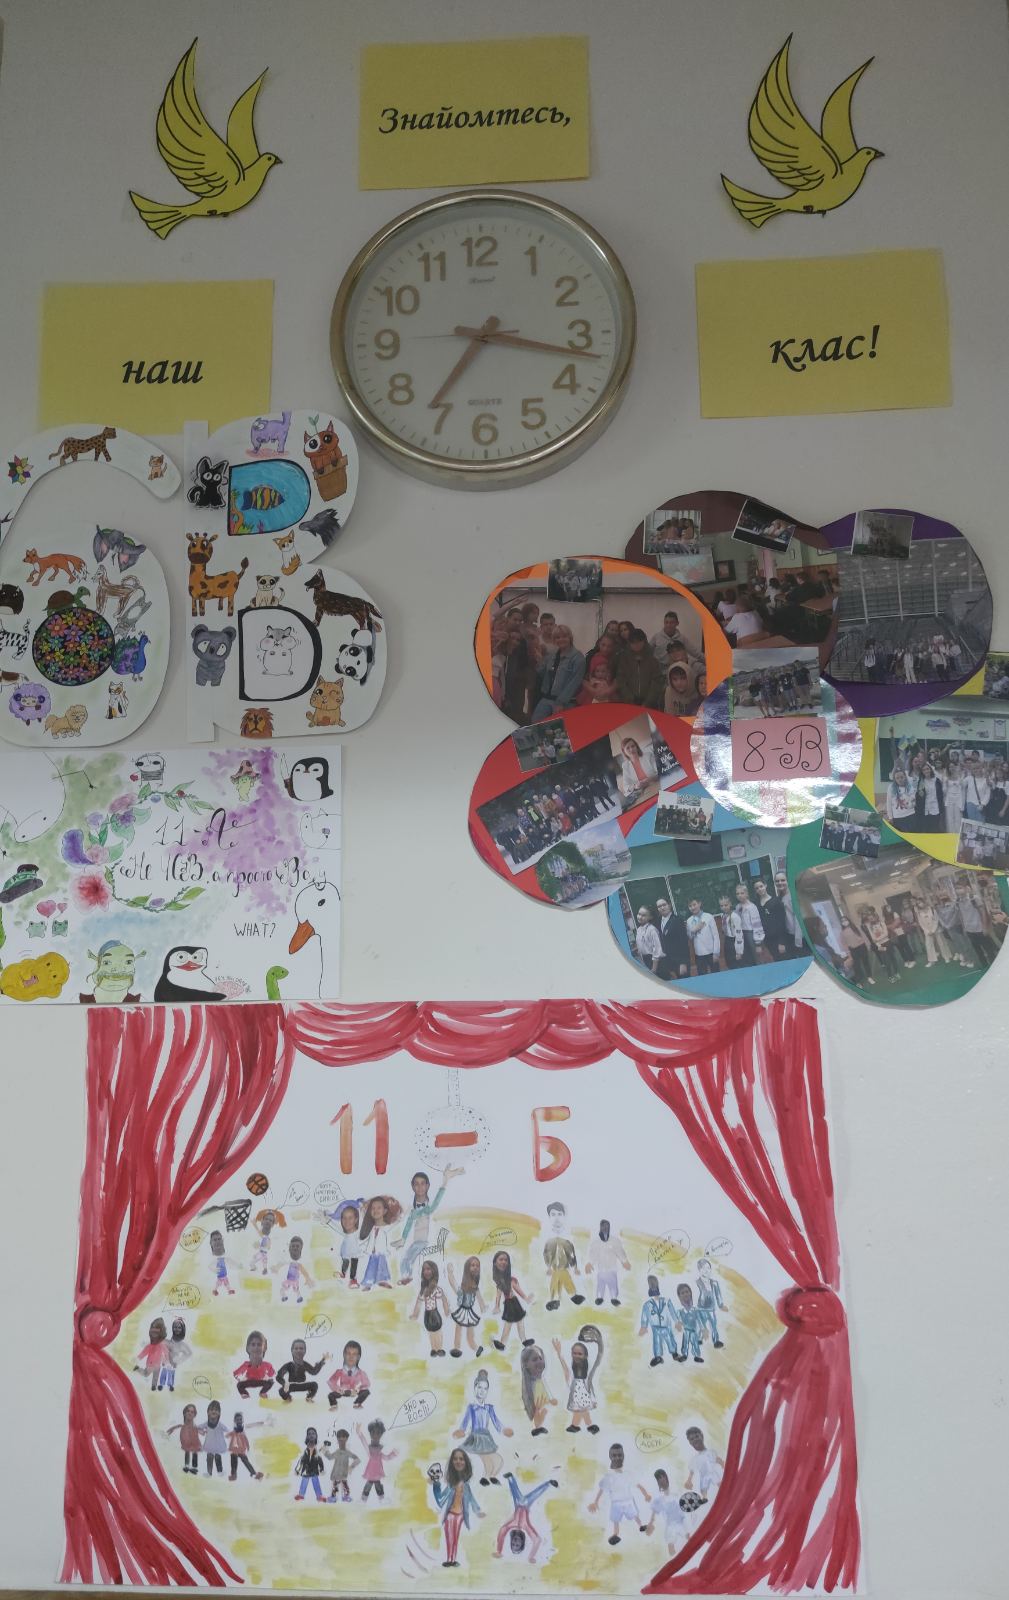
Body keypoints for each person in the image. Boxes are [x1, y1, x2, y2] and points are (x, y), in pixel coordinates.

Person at [395, 1167, 462, 1285]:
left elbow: (435, 1204)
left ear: (427, 1186)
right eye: (416, 1184)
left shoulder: (429, 1207)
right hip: (417, 1242)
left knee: (409, 1258)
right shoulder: (412, 1210)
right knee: (406, 1258)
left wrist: (445, 1181)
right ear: (412, 1187)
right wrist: (403, 1239)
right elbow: (408, 1224)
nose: (420, 1187)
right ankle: (407, 1276)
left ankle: (408, 1276)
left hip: (426, 1242)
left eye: (422, 1183)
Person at [454, 1369, 513, 1485]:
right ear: (475, 1388)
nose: (482, 1391)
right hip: (476, 1438)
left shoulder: (489, 1408)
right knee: (489, 1460)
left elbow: (496, 1422)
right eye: (479, 1387)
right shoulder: (471, 1407)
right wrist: (461, 1431)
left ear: (487, 1391)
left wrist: (503, 1430)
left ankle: (489, 1477)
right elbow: (465, 1422)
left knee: (498, 1460)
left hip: (487, 1438)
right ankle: (486, 1477)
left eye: (485, 1389)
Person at [430, 1449, 484, 1567]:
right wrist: (436, 1484)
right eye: (455, 1459)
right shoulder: (451, 1485)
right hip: (450, 1515)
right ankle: (449, 1559)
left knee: (455, 1538)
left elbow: (471, 1499)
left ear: (466, 1463)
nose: (458, 1461)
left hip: (460, 1516)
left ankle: (453, 1560)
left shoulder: (466, 1485)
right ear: (451, 1463)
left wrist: (477, 1511)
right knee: (449, 1538)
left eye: (461, 1459)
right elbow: (441, 1499)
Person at [589, 1443, 648, 1546]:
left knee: (635, 1515)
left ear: (623, 1456)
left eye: (619, 1455)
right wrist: (595, 1502)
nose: (617, 1458)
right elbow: (602, 1489)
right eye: (614, 1455)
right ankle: (616, 1534)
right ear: (610, 1457)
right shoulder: (608, 1476)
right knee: (615, 1520)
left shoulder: (627, 1474)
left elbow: (638, 1485)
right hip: (616, 1503)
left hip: (628, 1501)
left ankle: (641, 1526)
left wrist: (646, 1494)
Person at [494, 1472, 557, 1564]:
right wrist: (531, 1556)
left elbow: (502, 1532)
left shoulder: (512, 1524)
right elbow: (537, 1540)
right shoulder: (526, 1527)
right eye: (517, 1545)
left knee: (520, 1498)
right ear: (522, 1543)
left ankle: (511, 1478)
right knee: (528, 1497)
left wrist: (499, 1551)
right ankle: (511, 1478)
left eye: (513, 1544)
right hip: (526, 1505)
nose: (515, 1542)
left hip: (518, 1504)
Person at [553, 1329, 603, 1433]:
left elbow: (590, 1384)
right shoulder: (572, 1371)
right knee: (580, 1410)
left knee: (582, 1410)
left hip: (584, 1393)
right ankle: (582, 1425)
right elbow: (566, 1370)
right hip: (576, 1392)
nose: (576, 1356)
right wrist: (559, 1353)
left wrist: (593, 1398)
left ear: (585, 1355)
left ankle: (580, 1425)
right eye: (574, 1353)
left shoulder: (588, 1370)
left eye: (579, 1354)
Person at [531, 626, 586, 721]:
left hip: (565, 701)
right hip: (547, 697)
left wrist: (561, 702)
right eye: (557, 637)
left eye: (564, 636)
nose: (561, 639)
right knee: (535, 722)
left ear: (570, 637)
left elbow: (574, 683)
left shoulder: (578, 658)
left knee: (559, 728)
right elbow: (542, 674)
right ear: (554, 640)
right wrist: (539, 660)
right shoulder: (551, 655)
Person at [492, 1249, 533, 1348]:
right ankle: (503, 1342)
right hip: (509, 1303)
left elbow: (516, 1288)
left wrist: (525, 1298)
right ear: (495, 1263)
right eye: (501, 1259)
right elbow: (499, 1294)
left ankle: (523, 1340)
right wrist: (497, 1306)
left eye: (506, 1260)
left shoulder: (509, 1279)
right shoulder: (501, 1281)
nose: (503, 1262)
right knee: (509, 1323)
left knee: (519, 1321)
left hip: (514, 1302)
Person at [614, 629, 665, 708]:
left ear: (644, 641)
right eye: (633, 642)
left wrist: (648, 702)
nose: (636, 645)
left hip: (650, 704)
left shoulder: (653, 660)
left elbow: (657, 682)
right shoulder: (624, 660)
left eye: (638, 641)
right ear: (629, 643)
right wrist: (630, 699)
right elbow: (621, 681)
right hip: (629, 703)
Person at [411, 1259, 451, 1357]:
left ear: (434, 1271)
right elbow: (419, 1301)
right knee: (430, 1332)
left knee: (437, 1331)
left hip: (434, 1313)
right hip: (427, 1313)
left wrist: (447, 1310)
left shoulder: (436, 1289)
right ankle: (433, 1349)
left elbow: (444, 1299)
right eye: (424, 1269)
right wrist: (415, 1315)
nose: (426, 1272)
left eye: (428, 1269)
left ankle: (439, 1349)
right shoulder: (423, 1289)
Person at [359, 1195, 400, 1290]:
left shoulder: (388, 1227)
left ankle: (382, 1280)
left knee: (382, 1266)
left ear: (385, 1211)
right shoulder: (370, 1228)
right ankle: (368, 1283)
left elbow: (398, 1223)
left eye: (379, 1208)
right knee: (371, 1268)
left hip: (382, 1252)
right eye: (373, 1208)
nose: (375, 1210)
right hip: (372, 1253)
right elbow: (367, 1240)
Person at [448, 1256, 486, 1357]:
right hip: (463, 1311)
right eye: (473, 1265)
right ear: (467, 1268)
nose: (475, 1267)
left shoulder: (475, 1288)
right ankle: (457, 1348)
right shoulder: (463, 1287)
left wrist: (483, 1307)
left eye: (477, 1265)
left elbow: (480, 1299)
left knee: (469, 1335)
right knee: (458, 1329)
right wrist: (450, 1273)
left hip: (468, 1312)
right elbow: (454, 1285)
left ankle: (476, 1348)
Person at [587, 1219, 630, 1306]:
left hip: (612, 1269)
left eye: (607, 1226)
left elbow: (620, 1252)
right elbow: (593, 1254)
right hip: (601, 1270)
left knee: (613, 1284)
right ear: (600, 1227)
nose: (605, 1228)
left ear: (609, 1227)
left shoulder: (615, 1241)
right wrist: (590, 1264)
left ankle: (614, 1298)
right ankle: (599, 1297)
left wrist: (624, 1261)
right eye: (603, 1226)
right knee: (600, 1285)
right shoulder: (596, 1243)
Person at [646, 1468, 689, 1556]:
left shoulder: (676, 1490)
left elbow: (685, 1504)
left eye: (662, 1477)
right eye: (658, 1479)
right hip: (670, 1525)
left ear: (666, 1477)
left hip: (682, 1522)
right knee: (671, 1546)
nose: (661, 1480)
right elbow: (654, 1512)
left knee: (689, 1540)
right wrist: (650, 1524)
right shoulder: (659, 1499)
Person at [638, 1274, 677, 1367]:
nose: (653, 1287)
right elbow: (644, 1316)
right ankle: (658, 1357)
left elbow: (672, 1312)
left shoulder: (666, 1301)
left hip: (666, 1325)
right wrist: (643, 1326)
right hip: (655, 1326)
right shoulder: (647, 1305)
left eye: (654, 1285)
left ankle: (674, 1353)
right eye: (651, 1285)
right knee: (657, 1341)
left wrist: (677, 1321)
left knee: (669, 1339)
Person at [277, 1338, 329, 1403]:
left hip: (303, 1385)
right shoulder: (288, 1365)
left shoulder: (305, 1364)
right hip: (291, 1386)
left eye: (301, 1348)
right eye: (296, 1348)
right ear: (292, 1351)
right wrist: (284, 1384)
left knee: (314, 1385)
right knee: (281, 1391)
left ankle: (309, 1397)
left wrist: (322, 1360)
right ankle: (288, 1398)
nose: (298, 1350)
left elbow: (314, 1371)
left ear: (305, 1351)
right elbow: (278, 1377)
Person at [519, 1343, 556, 1436]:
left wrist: (550, 1401)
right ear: (526, 1364)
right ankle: (538, 1428)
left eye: (540, 1358)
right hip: (539, 1411)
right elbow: (536, 1404)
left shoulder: (540, 1381)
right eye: (535, 1359)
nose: (539, 1361)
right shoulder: (531, 1385)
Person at [357, 1417, 397, 1501]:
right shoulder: (369, 1449)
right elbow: (364, 1442)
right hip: (371, 1472)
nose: (375, 1435)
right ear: (370, 1433)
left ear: (381, 1434)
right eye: (373, 1433)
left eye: (378, 1433)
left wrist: (393, 1454)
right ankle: (364, 1499)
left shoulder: (380, 1450)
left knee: (377, 1485)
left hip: (377, 1472)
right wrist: (359, 1432)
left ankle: (381, 1499)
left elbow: (386, 1458)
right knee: (369, 1485)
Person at [326, 1339, 371, 1410]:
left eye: (354, 1354)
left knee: (366, 1392)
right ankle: (334, 1405)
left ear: (358, 1357)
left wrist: (358, 1389)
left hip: (355, 1392)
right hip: (343, 1392)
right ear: (344, 1355)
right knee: (330, 1395)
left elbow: (367, 1384)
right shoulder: (339, 1372)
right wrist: (338, 1389)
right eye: (348, 1353)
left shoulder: (361, 1373)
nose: (351, 1357)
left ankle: (357, 1403)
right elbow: (331, 1382)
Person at [684, 1426, 724, 1502]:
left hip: (712, 1472)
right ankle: (704, 1498)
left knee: (718, 1481)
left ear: (702, 1436)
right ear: (690, 1443)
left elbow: (717, 1459)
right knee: (703, 1487)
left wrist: (723, 1464)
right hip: (704, 1475)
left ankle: (723, 1490)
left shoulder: (711, 1452)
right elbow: (692, 1471)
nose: (695, 1439)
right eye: (692, 1439)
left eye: (697, 1436)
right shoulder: (695, 1459)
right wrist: (689, 1480)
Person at [233, 1330, 275, 1400]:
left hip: (260, 1381)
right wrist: (239, 1377)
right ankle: (244, 1393)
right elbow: (236, 1373)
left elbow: (272, 1374)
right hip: (249, 1381)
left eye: (259, 1344)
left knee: (271, 1382)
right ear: (248, 1348)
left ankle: (262, 1392)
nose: (256, 1347)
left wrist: (268, 1377)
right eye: (253, 1344)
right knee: (239, 1385)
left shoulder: (267, 1365)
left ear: (264, 1347)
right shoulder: (246, 1364)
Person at [753, 878, 789, 958]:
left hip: (779, 939)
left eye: (761, 886)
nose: (759, 889)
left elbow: (782, 923)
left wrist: (781, 942)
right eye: (757, 888)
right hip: (767, 940)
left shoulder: (776, 901)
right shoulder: (756, 904)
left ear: (765, 885)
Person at [655, 897, 689, 980]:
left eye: (664, 905)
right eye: (659, 906)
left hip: (679, 962)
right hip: (668, 962)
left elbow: (684, 942)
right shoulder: (658, 922)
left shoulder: (677, 920)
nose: (662, 908)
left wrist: (683, 963)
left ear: (669, 905)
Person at [617, 734, 658, 802]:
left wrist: (649, 779)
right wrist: (635, 786)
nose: (631, 749)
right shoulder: (625, 765)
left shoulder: (648, 756)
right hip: (643, 793)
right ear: (624, 751)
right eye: (628, 748)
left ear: (636, 747)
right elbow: (626, 787)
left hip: (655, 785)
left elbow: (660, 771)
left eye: (633, 746)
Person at [226, 1411, 265, 1481]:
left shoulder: (244, 1428)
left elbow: (251, 1425)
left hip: (241, 1449)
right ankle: (233, 1475)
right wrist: (227, 1436)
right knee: (233, 1461)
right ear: (235, 1421)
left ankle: (254, 1473)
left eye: (240, 1419)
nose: (239, 1421)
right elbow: (228, 1435)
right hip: (234, 1448)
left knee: (245, 1461)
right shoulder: (233, 1430)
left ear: (242, 1420)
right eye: (237, 1420)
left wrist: (260, 1423)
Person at [324, 1428, 360, 1502]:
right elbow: (330, 1457)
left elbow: (357, 1459)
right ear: (337, 1440)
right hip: (336, 1473)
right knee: (335, 1486)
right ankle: (333, 1497)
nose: (341, 1439)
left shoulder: (347, 1452)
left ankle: (346, 1497)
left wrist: (351, 1467)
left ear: (346, 1439)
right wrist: (325, 1451)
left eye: (343, 1437)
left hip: (343, 1473)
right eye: (339, 1438)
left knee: (344, 1485)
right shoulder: (337, 1452)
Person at [695, 1258, 725, 1348]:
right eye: (703, 1268)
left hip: (711, 1309)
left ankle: (716, 1341)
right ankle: (698, 1339)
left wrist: (720, 1304)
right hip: (701, 1309)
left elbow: (718, 1295)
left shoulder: (714, 1283)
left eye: (708, 1268)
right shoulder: (697, 1282)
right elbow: (695, 1295)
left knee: (713, 1325)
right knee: (702, 1326)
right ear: (699, 1270)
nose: (706, 1270)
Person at [165, 1403, 201, 1476]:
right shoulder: (182, 1425)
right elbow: (178, 1426)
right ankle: (187, 1465)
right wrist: (172, 1429)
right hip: (185, 1434)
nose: (190, 1413)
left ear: (194, 1415)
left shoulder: (195, 1427)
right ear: (184, 1413)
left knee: (195, 1450)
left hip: (193, 1435)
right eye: (188, 1411)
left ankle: (194, 1467)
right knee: (187, 1450)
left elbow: (200, 1430)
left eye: (192, 1412)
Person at [671, 1284, 704, 1363]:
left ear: (690, 1293)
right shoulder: (680, 1311)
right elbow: (677, 1322)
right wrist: (677, 1326)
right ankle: (684, 1355)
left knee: (695, 1343)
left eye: (687, 1292)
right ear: (679, 1296)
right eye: (682, 1293)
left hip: (693, 1331)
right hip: (685, 1330)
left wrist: (702, 1332)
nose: (685, 1294)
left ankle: (697, 1356)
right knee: (685, 1343)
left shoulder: (696, 1310)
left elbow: (700, 1322)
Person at [839, 916, 875, 985]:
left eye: (845, 920)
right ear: (841, 923)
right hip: (853, 950)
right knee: (856, 966)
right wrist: (848, 953)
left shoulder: (856, 927)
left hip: (862, 947)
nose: (844, 922)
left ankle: (869, 977)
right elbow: (844, 944)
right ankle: (859, 981)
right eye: (842, 921)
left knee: (866, 963)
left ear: (848, 920)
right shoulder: (842, 933)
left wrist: (868, 945)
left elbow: (864, 936)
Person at [734, 882, 765, 963]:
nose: (740, 895)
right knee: (748, 959)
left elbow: (757, 925)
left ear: (747, 894)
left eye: (742, 893)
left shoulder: (751, 907)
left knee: (757, 958)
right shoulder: (737, 907)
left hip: (751, 934)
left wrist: (758, 943)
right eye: (737, 894)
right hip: (742, 934)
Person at [294, 1427, 326, 1502]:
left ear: (316, 1436)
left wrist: (321, 1469)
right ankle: (301, 1495)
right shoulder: (305, 1452)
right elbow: (301, 1460)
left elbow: (320, 1461)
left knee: (316, 1483)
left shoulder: (317, 1452)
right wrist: (297, 1469)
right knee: (304, 1482)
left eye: (313, 1433)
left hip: (314, 1470)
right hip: (306, 1470)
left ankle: (319, 1496)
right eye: (309, 1434)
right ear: (307, 1437)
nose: (311, 1435)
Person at [915, 762, 944, 832]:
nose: (926, 771)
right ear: (922, 772)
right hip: (925, 808)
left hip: (935, 807)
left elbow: (940, 795)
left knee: (935, 828)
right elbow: (919, 797)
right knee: (926, 829)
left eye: (927, 769)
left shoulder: (936, 780)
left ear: (930, 769)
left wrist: (941, 807)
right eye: (924, 770)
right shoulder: (921, 782)